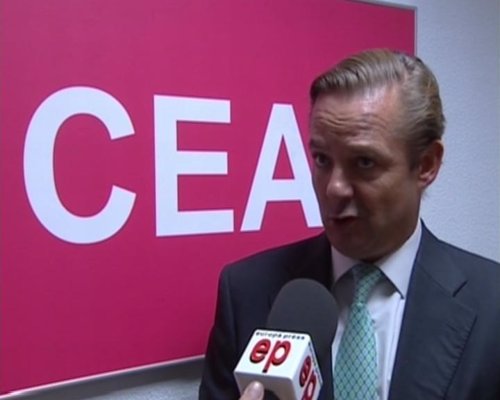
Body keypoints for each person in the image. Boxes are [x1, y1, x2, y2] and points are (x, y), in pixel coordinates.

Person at [199, 49, 500, 400]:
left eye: (364, 162)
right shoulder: (246, 291)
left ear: (426, 165)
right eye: (322, 159)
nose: (334, 188)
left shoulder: (491, 303)